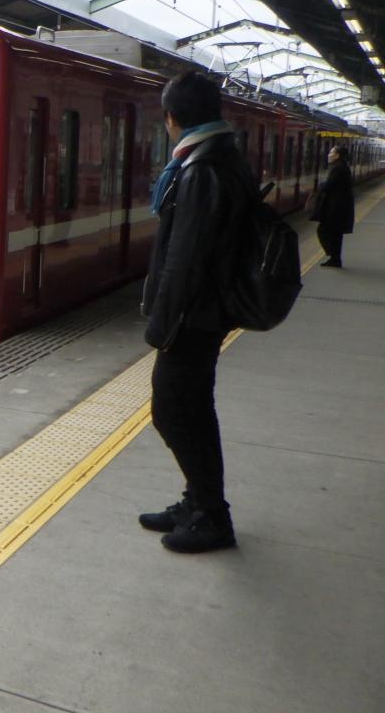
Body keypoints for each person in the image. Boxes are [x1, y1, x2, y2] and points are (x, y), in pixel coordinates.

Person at [141, 71, 255, 554]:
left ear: (172, 117)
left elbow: (185, 259)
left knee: (172, 412)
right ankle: (198, 502)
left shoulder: (202, 169)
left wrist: (162, 325)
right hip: (203, 312)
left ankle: (212, 516)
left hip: (192, 316)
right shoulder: (215, 158)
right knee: (192, 410)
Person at [311, 145, 354, 268]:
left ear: (337, 155)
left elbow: (330, 185)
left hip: (335, 208)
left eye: (331, 152)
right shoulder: (343, 167)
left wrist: (320, 186)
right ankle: (335, 259)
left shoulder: (338, 168)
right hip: (341, 207)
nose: (328, 155)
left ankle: (332, 254)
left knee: (323, 230)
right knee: (336, 234)